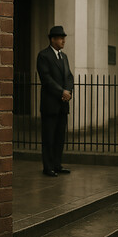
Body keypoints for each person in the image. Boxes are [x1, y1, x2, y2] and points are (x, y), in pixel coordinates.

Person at [36, 26, 74, 177]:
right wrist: (61, 92)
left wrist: (68, 91)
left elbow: (69, 76)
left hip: (63, 104)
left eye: (64, 37)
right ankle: (48, 167)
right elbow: (46, 79)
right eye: (60, 38)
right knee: (49, 137)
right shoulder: (43, 56)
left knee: (59, 137)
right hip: (50, 104)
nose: (63, 40)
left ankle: (57, 165)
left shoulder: (64, 57)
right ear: (52, 39)